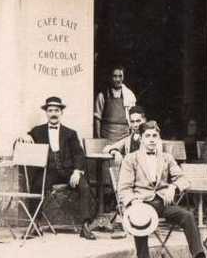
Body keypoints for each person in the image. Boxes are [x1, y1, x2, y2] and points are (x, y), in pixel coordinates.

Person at [118, 121, 207, 258]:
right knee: (140, 217)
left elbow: (184, 179)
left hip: (163, 203)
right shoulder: (131, 159)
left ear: (159, 138)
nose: (151, 140)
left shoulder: (166, 157)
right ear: (141, 139)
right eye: (148, 136)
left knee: (187, 216)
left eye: (155, 136)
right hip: (142, 203)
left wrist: (174, 187)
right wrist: (133, 202)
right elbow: (123, 189)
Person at [18, 96, 96, 240]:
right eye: (50, 110)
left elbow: (79, 154)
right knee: (36, 185)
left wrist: (77, 172)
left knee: (84, 187)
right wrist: (24, 136)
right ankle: (35, 224)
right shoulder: (37, 131)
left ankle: (85, 227)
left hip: (68, 172)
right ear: (46, 113)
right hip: (49, 171)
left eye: (56, 110)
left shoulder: (70, 133)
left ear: (61, 113)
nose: (53, 113)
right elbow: (20, 145)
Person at [93, 66, 137, 141]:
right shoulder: (103, 95)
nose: (117, 79)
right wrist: (99, 138)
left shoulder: (129, 95)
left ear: (123, 77)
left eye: (120, 76)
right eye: (115, 76)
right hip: (107, 135)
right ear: (110, 77)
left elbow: (133, 118)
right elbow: (97, 118)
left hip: (125, 136)